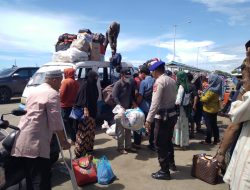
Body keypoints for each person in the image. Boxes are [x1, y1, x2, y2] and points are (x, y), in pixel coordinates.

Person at [11, 70, 71, 190]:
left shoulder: (34, 91)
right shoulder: (52, 93)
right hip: (36, 143)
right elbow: (56, 121)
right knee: (41, 180)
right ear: (54, 80)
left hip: (23, 138)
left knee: (30, 179)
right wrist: (64, 141)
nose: (61, 84)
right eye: (60, 81)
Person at [215, 64, 250, 190]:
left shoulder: (246, 94)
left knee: (236, 178)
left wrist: (221, 151)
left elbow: (233, 124)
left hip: (240, 143)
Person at [144, 60, 178, 180]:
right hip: (172, 114)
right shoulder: (172, 80)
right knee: (168, 141)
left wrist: (148, 120)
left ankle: (164, 171)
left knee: (159, 143)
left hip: (163, 117)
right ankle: (171, 164)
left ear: (156, 71)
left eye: (152, 71)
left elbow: (155, 103)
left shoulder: (159, 82)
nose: (151, 74)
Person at [74, 71, 99, 158]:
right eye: (94, 77)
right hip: (85, 113)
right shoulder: (85, 85)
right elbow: (82, 98)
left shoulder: (93, 85)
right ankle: (80, 151)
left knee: (90, 132)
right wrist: (85, 108)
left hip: (93, 111)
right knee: (83, 132)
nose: (96, 79)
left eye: (97, 77)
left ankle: (88, 149)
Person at [112, 68, 137, 154]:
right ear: (122, 75)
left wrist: (133, 103)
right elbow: (114, 96)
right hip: (119, 111)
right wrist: (120, 106)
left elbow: (130, 96)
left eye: (129, 76)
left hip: (128, 110)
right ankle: (120, 148)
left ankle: (128, 147)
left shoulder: (129, 84)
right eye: (126, 76)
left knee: (128, 129)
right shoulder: (118, 84)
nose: (128, 78)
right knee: (120, 131)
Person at [133, 66, 155, 150]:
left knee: (138, 125)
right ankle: (152, 144)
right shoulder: (155, 81)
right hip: (153, 108)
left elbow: (140, 96)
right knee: (152, 127)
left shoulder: (143, 82)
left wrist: (136, 104)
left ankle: (137, 143)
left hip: (144, 107)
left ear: (143, 73)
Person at [199, 73, 223, 145]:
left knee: (208, 126)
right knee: (214, 125)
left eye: (210, 78)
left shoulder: (211, 90)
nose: (209, 79)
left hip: (208, 109)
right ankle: (216, 139)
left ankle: (208, 140)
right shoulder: (217, 89)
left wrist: (201, 95)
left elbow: (204, 99)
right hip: (214, 109)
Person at [60, 68, 79, 145]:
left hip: (65, 106)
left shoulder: (65, 82)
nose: (64, 74)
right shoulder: (76, 82)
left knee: (67, 124)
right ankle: (76, 139)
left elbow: (62, 94)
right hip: (74, 106)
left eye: (65, 73)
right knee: (74, 123)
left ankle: (72, 140)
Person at [173, 71, 190, 149]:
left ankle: (178, 142)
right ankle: (184, 142)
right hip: (186, 109)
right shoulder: (187, 86)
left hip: (180, 109)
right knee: (184, 126)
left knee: (178, 125)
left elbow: (178, 101)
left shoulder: (181, 87)